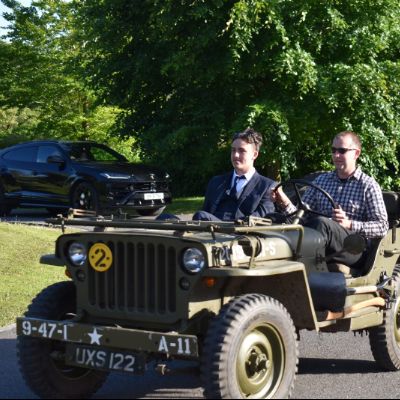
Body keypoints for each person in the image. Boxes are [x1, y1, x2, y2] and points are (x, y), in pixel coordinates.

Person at [273, 131, 389, 269]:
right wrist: (284, 202)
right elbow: (300, 217)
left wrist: (349, 224)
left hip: (352, 247)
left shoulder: (368, 185)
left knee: (322, 223)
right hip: (319, 239)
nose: (336, 155)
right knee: (274, 218)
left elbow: (382, 227)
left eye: (342, 151)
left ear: (356, 153)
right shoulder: (321, 180)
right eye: (333, 150)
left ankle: (301, 268)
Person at [192, 128, 277, 221]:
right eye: (233, 150)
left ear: (254, 155)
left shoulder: (267, 187)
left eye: (242, 151)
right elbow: (204, 216)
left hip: (242, 229)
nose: (236, 155)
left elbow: (261, 219)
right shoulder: (216, 182)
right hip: (211, 228)